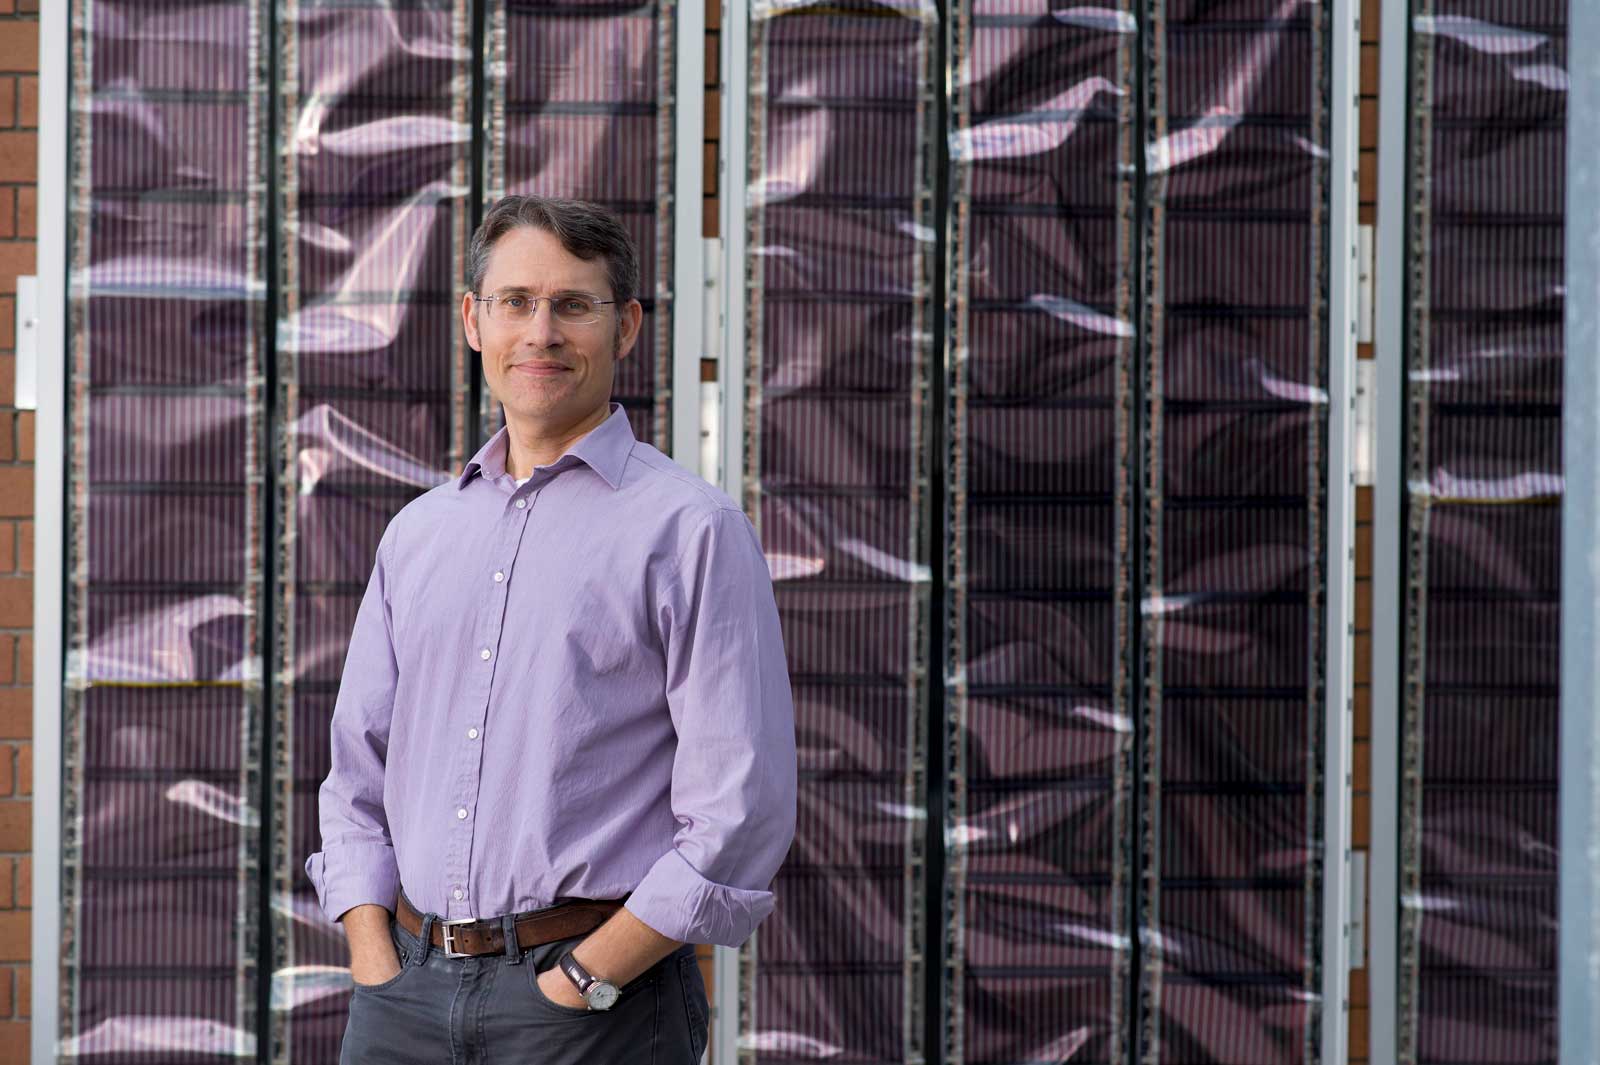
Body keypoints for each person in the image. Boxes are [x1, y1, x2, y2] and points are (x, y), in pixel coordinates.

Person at [305, 195, 798, 1064]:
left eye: (573, 304)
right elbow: (357, 772)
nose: (541, 332)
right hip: (401, 1000)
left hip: (589, 1009)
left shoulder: (691, 531)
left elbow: (742, 808)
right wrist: (373, 953)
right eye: (515, 301)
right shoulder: (418, 534)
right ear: (472, 319)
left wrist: (586, 977)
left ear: (627, 326)